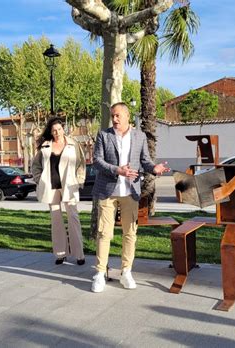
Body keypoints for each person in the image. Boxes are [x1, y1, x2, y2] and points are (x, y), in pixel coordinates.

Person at [91, 102, 170, 293]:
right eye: (112, 116)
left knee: (130, 234)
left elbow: (145, 160)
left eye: (118, 115)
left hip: (130, 192)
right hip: (107, 192)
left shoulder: (139, 136)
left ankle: (126, 272)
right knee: (104, 233)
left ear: (127, 116)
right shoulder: (104, 135)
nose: (114, 119)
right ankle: (100, 274)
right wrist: (118, 170)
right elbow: (97, 161)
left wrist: (154, 168)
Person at [31, 117, 86, 265]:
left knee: (73, 217)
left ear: (63, 128)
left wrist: (80, 180)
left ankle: (79, 254)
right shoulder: (45, 146)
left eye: (59, 129)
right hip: (51, 186)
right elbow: (35, 165)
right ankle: (60, 254)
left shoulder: (73, 144)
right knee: (56, 220)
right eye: (54, 130)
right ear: (51, 131)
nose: (57, 133)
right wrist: (38, 179)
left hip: (69, 185)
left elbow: (81, 163)